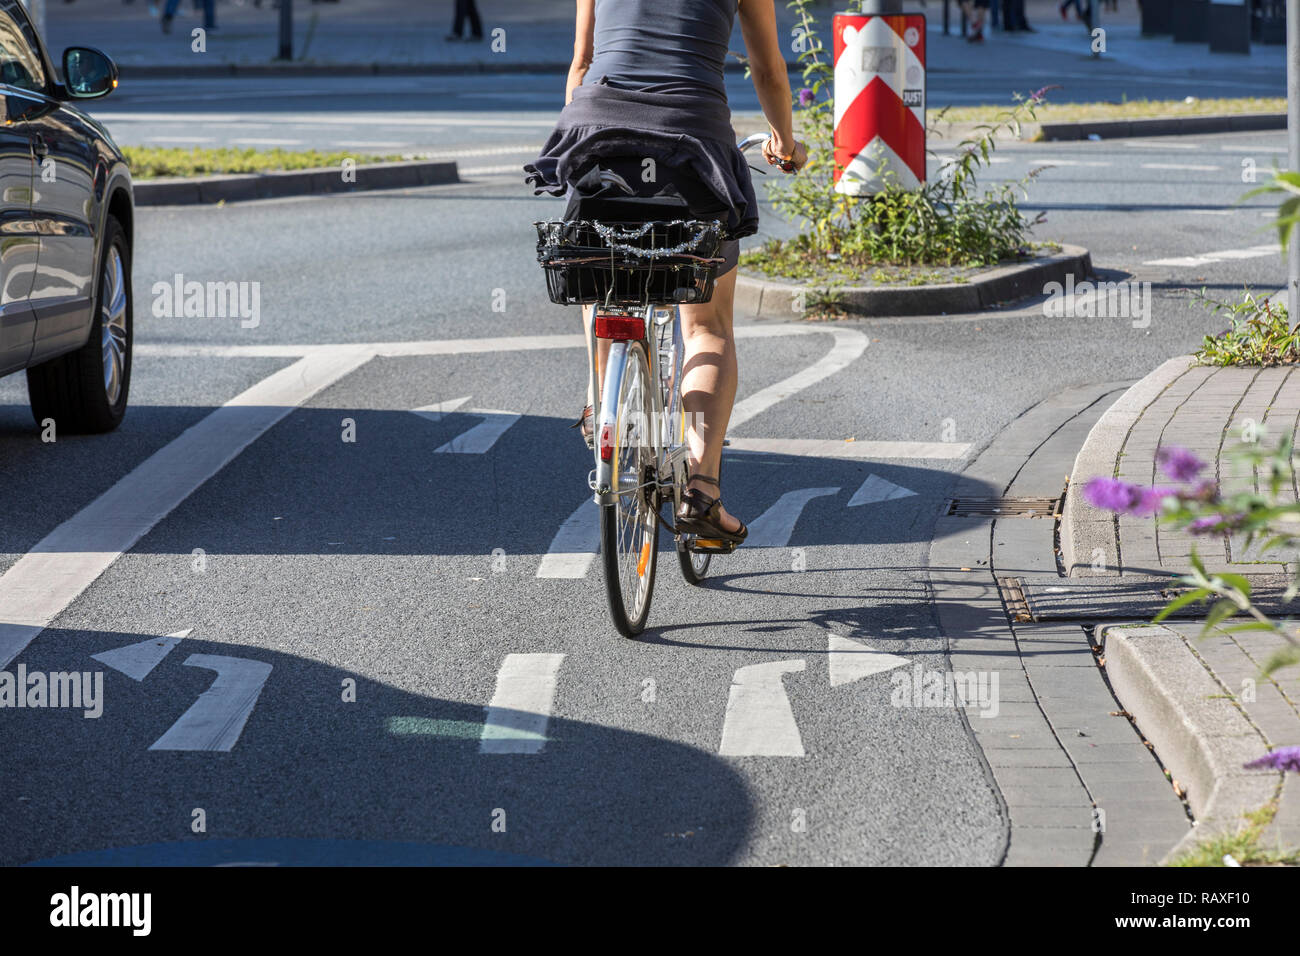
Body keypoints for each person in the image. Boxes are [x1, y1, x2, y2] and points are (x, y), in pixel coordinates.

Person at [525, 0, 806, 546]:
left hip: (598, 127)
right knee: (707, 328)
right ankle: (701, 490)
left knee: (597, 264)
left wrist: (584, 144)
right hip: (692, 139)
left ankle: (597, 402)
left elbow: (581, 63)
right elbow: (768, 68)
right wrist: (785, 143)